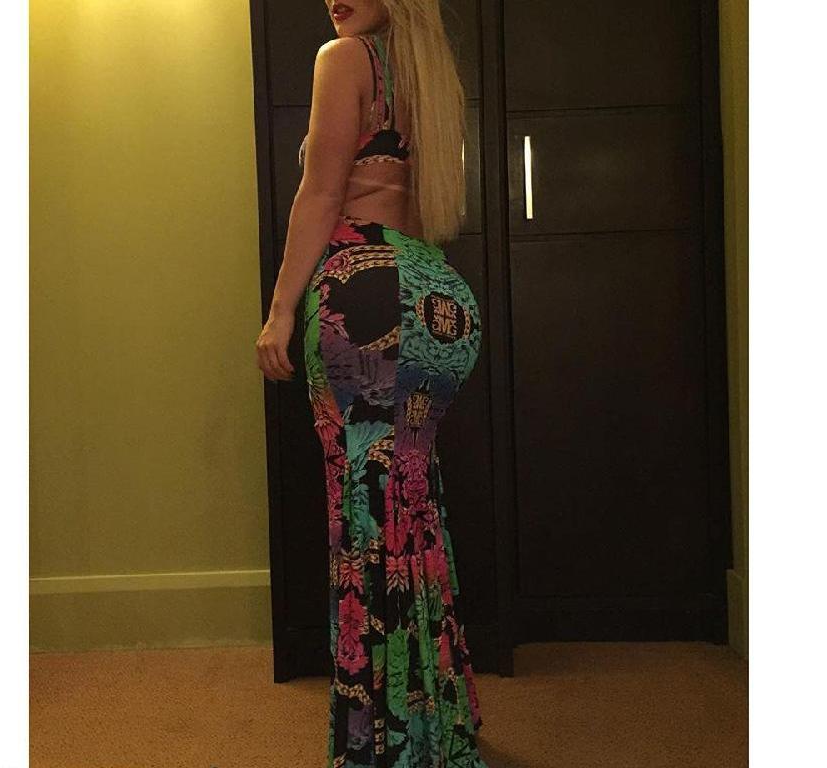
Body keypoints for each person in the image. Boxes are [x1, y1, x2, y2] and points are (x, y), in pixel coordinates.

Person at [256, 2, 488, 766]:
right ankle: (436, 724)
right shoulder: (430, 76)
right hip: (436, 294)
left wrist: (281, 311)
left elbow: (322, 195)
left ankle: (380, 744)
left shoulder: (343, 59)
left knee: (365, 521)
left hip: (366, 293)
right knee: (414, 511)